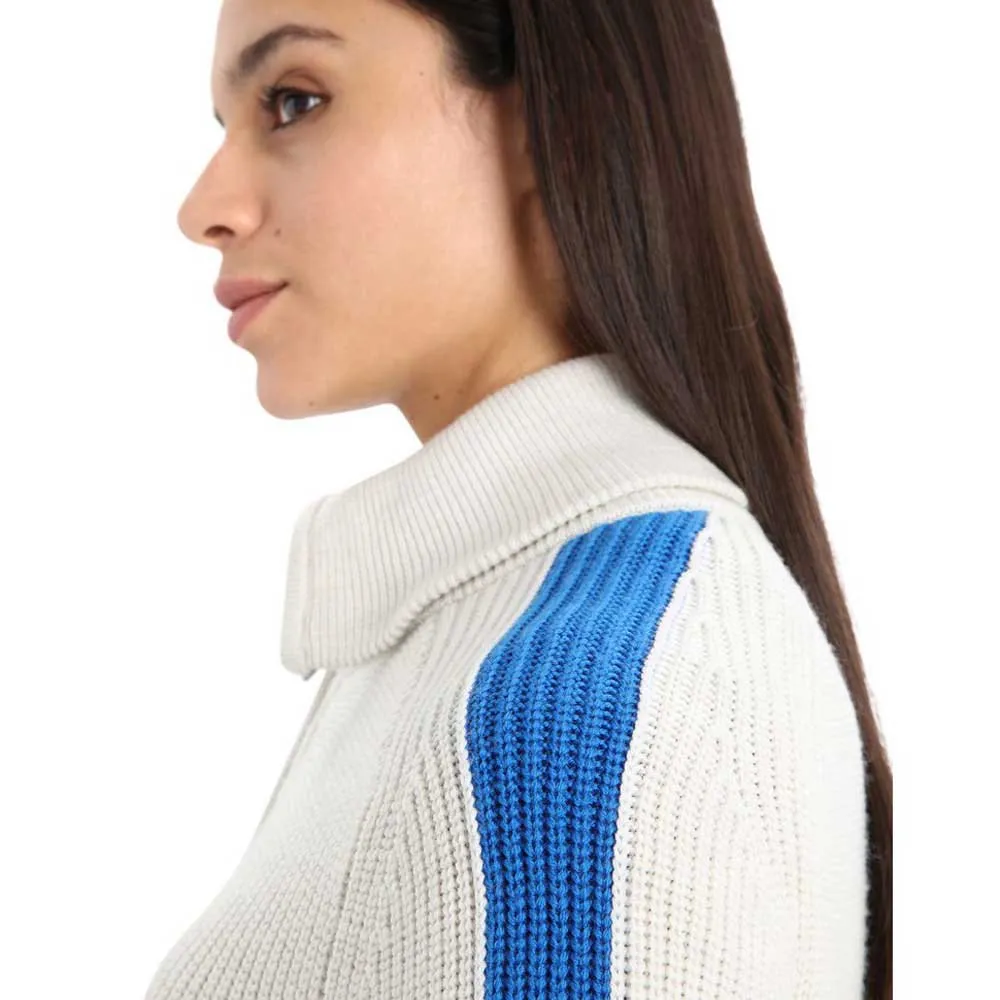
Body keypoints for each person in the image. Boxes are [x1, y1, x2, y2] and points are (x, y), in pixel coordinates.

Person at [150, 0, 892, 997]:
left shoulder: (581, 711)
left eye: (293, 101)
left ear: (546, 118)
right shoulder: (494, 642)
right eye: (226, 122)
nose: (204, 205)